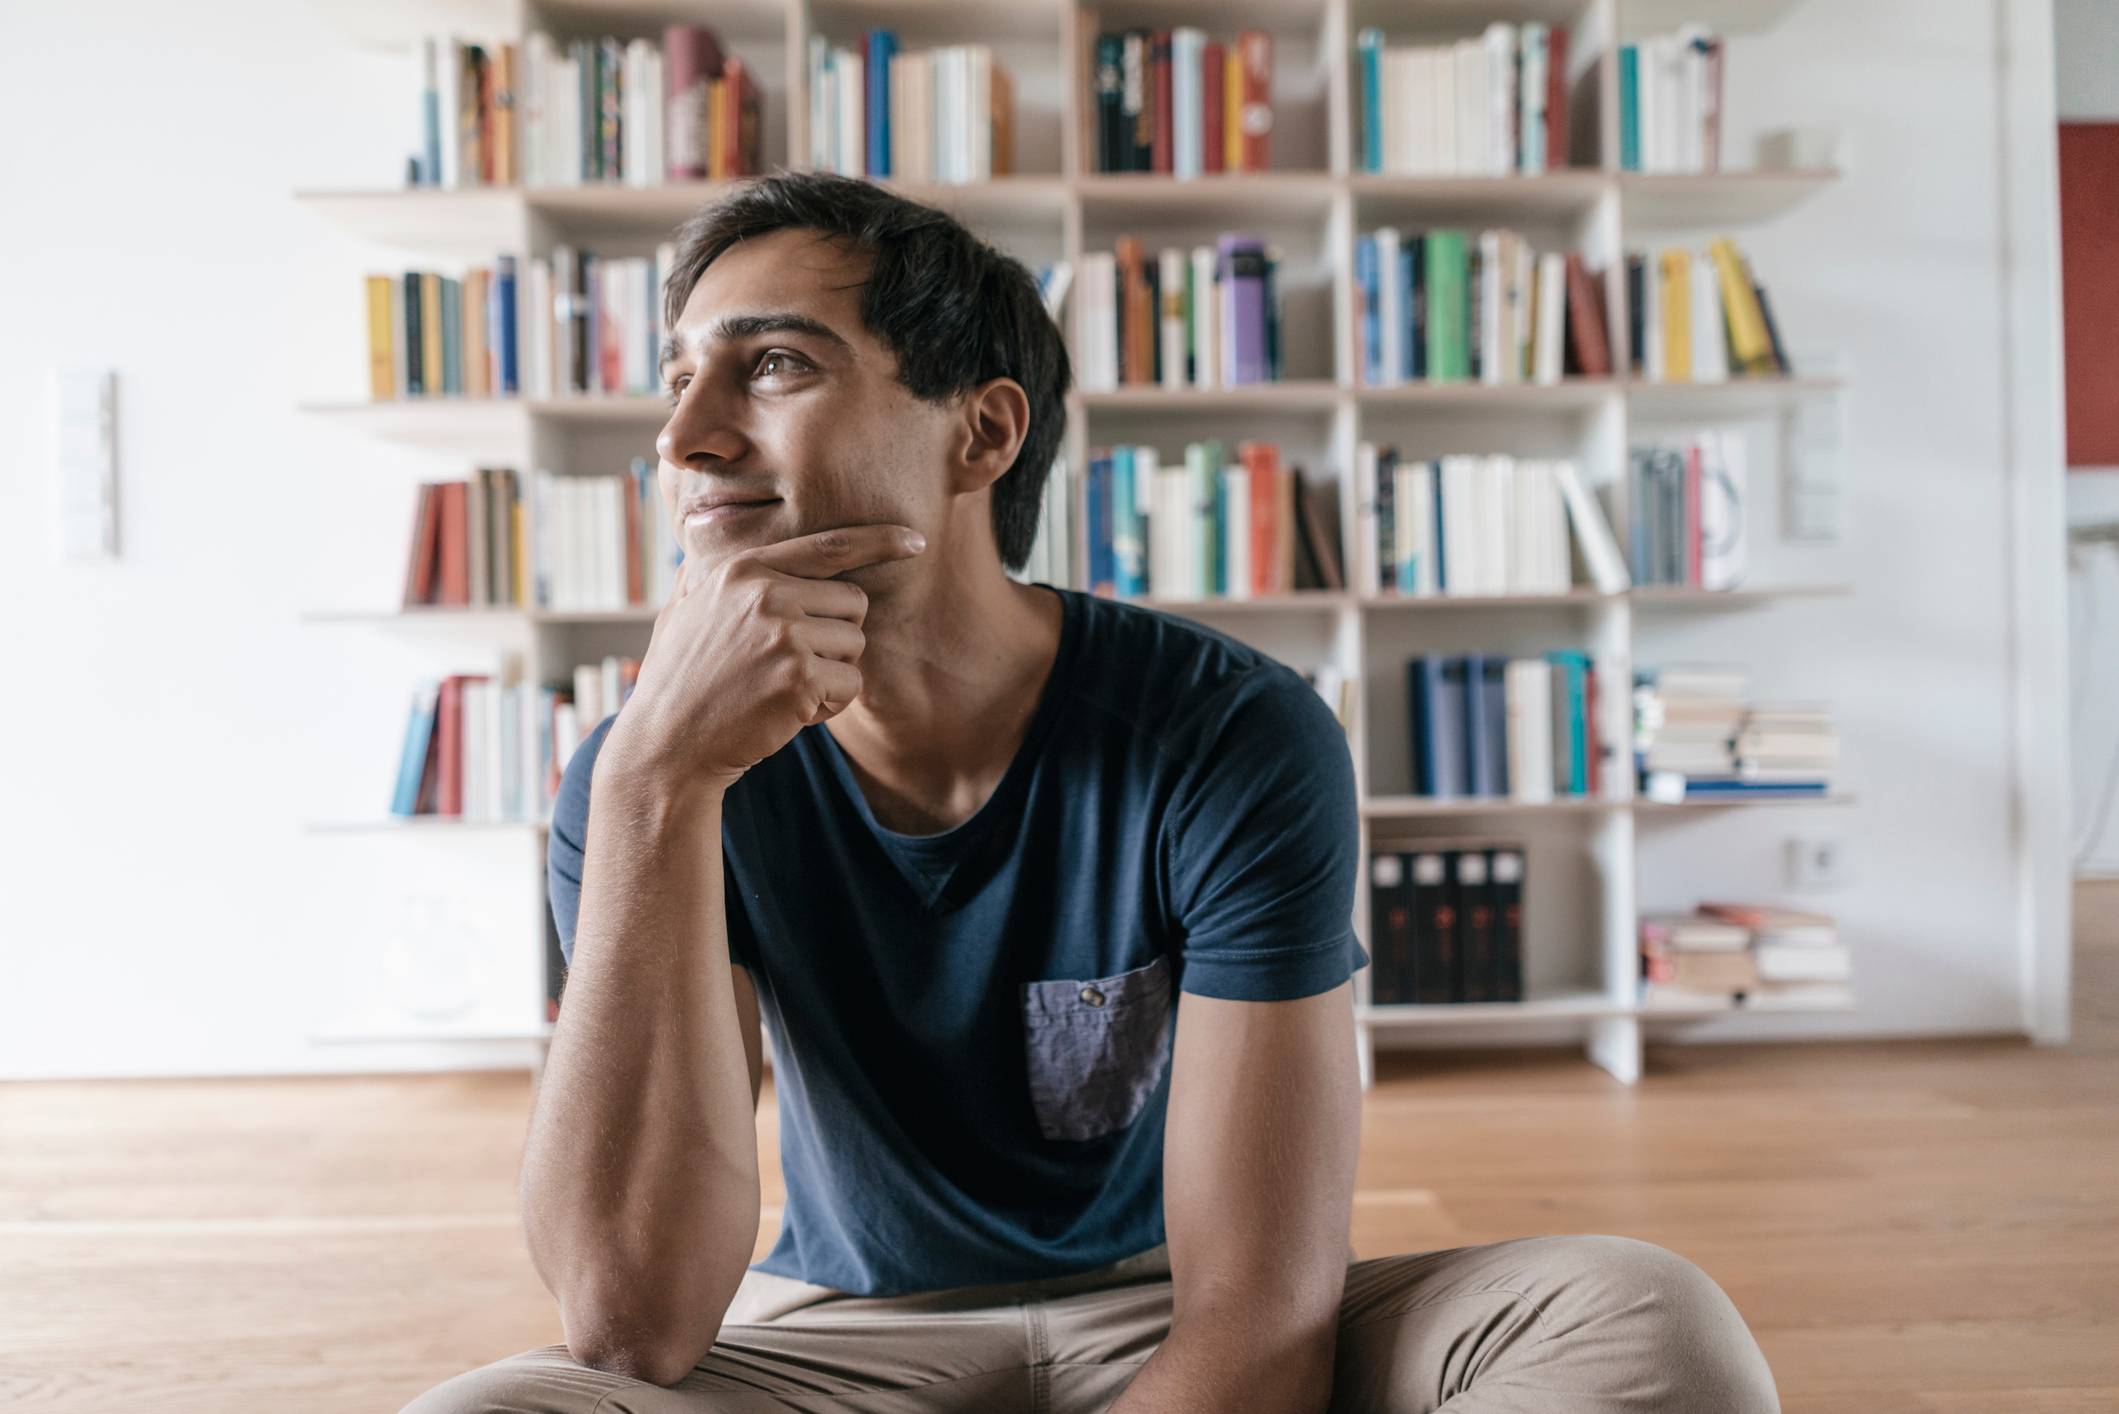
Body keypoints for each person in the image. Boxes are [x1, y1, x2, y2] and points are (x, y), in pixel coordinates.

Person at [404, 171, 1778, 1414]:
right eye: (676, 380)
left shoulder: (1231, 730)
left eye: (770, 366)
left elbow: (1261, 1318)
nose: (686, 439)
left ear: (981, 433)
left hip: (1172, 1306)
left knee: (1651, 1322)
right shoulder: (652, 775)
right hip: (851, 1337)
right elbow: (630, 1321)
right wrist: (655, 778)